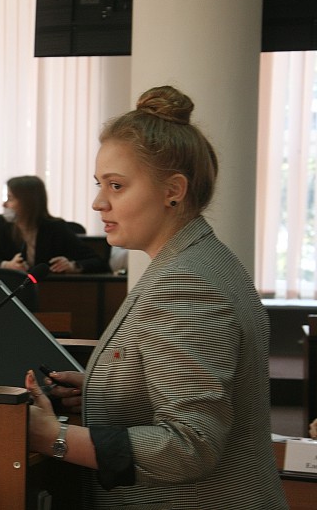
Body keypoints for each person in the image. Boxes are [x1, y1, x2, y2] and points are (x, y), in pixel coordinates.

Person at [24, 86, 287, 508]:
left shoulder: (185, 284)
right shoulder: (201, 256)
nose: (98, 202)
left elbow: (190, 445)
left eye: (116, 185)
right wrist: (101, 390)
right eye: (99, 184)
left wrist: (51, 436)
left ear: (173, 190)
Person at [0, 175, 109, 274]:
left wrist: (73, 266)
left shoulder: (55, 228)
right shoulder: (0, 225)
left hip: (50, 294)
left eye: (10, 198)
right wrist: (6, 265)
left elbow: (98, 262)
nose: (4, 204)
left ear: (28, 202)